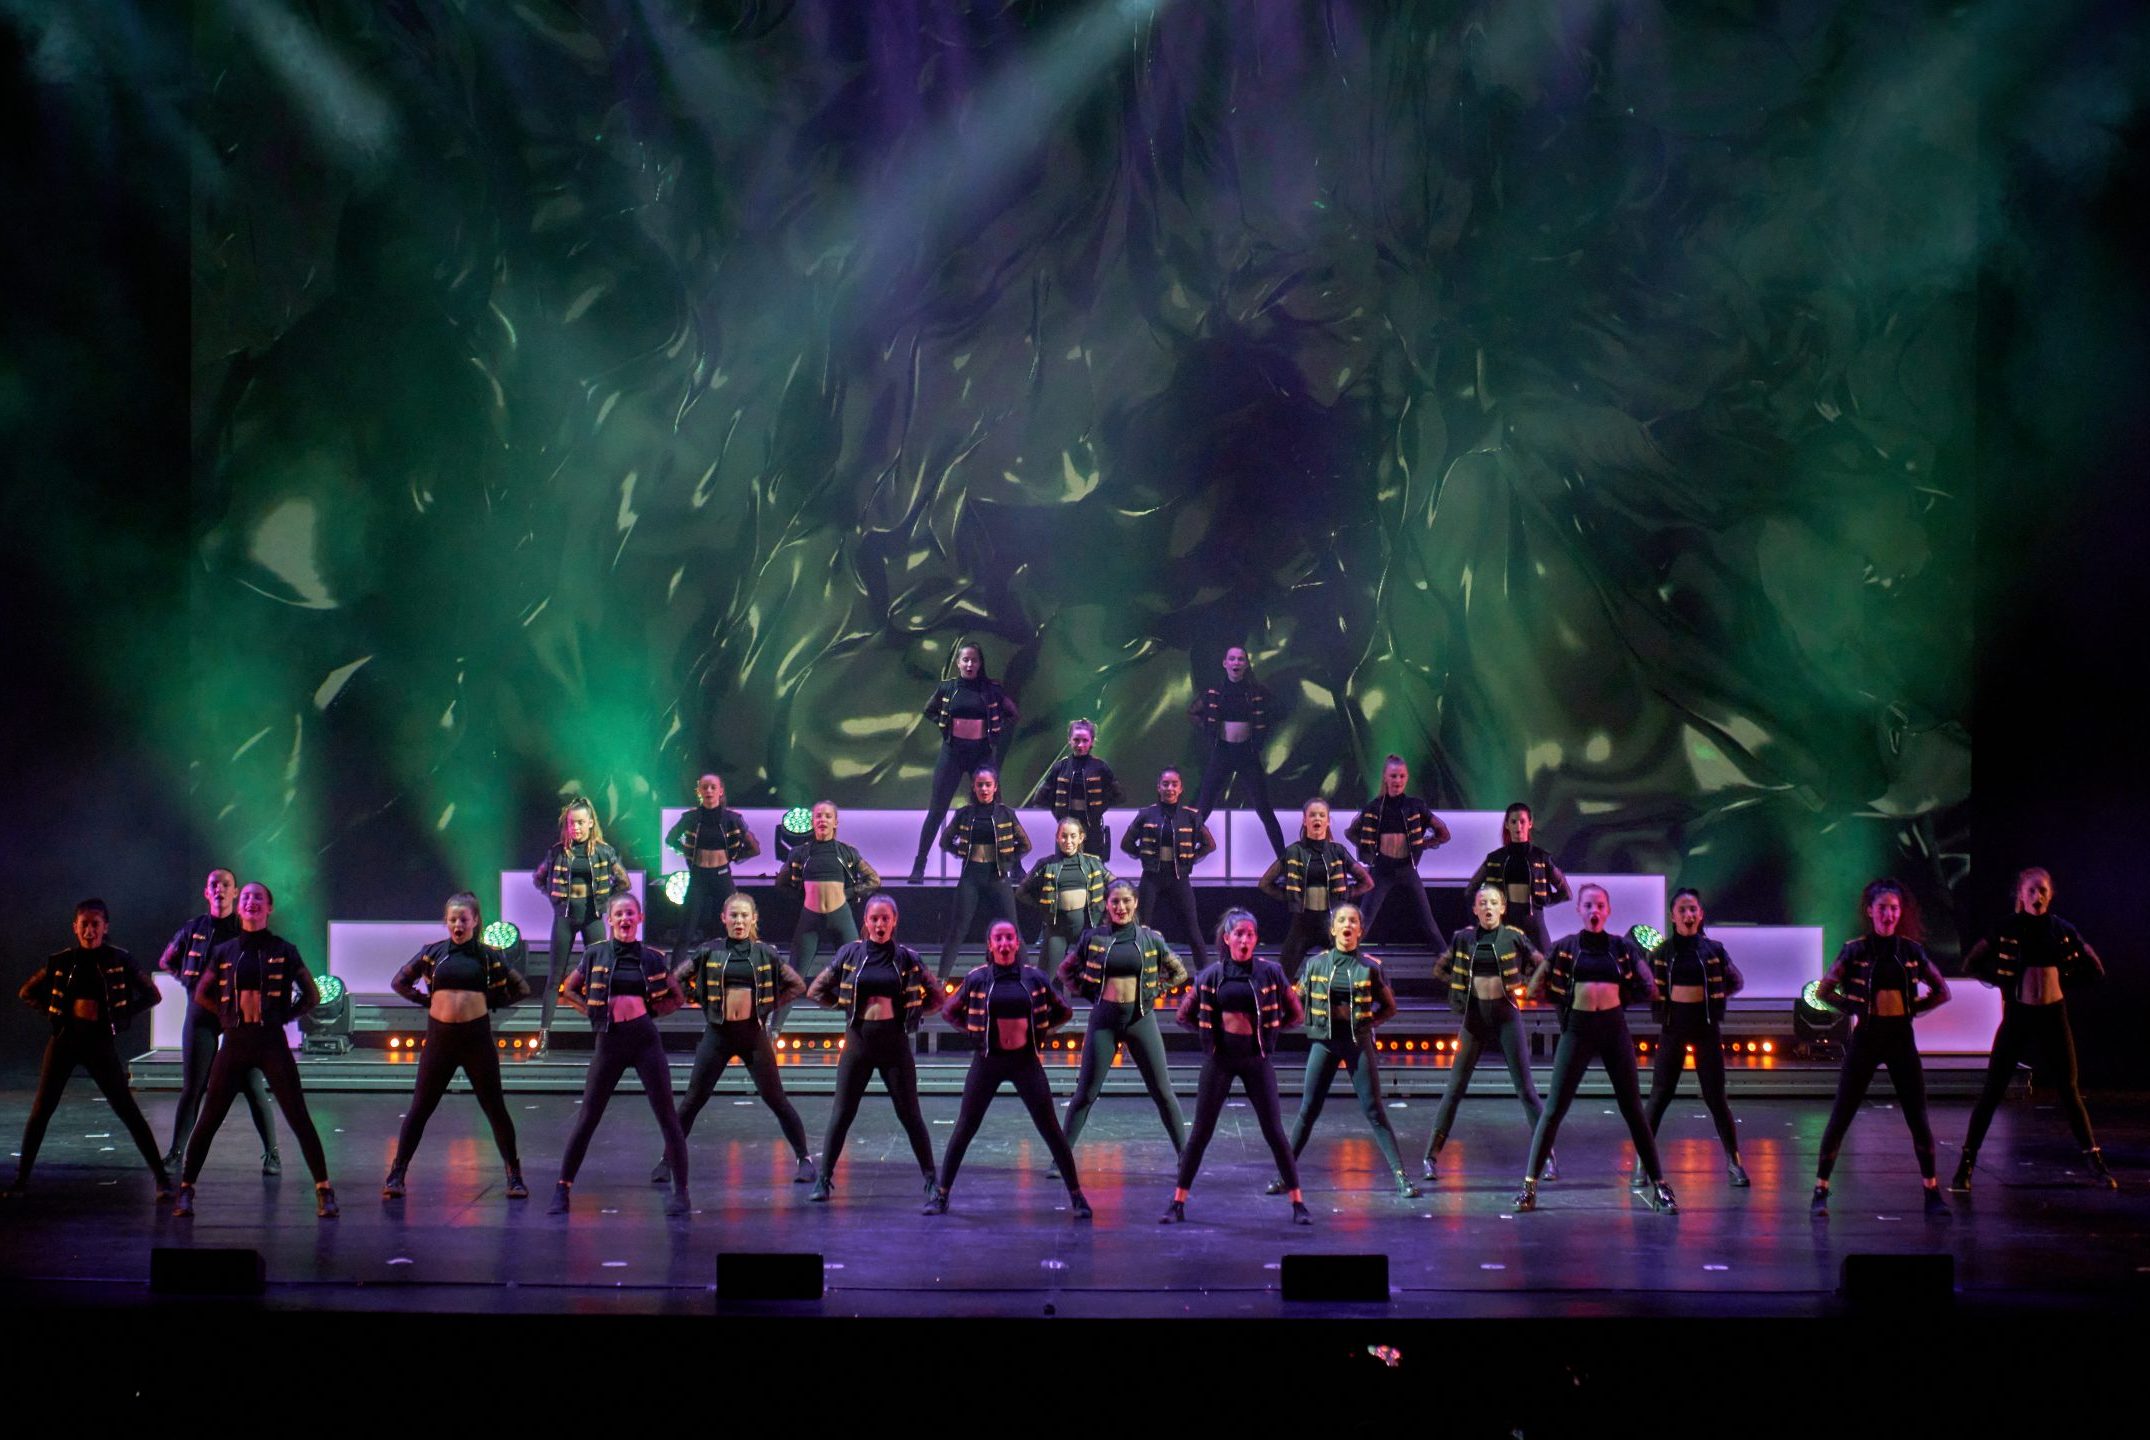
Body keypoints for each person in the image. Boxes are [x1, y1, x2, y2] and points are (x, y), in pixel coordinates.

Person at [173, 883, 338, 1219]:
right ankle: (186, 1190)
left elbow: (312, 995)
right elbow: (201, 993)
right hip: (235, 1043)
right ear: (240, 907)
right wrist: (226, 1017)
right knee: (209, 1118)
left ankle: (324, 1189)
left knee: (298, 1116)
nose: (251, 901)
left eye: (258, 897)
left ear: (269, 908)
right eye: (246, 896)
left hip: (270, 1042)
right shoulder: (225, 951)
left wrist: (284, 1016)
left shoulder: (284, 950)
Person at [1513, 885, 1676, 1215]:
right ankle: (1529, 1187)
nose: (1594, 910)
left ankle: (1660, 1185)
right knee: (1554, 1109)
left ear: (1608, 910)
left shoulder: (1621, 948)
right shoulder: (1566, 947)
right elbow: (1534, 988)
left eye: (1600, 905)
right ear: (1579, 910)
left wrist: (1625, 999)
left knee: (1633, 1109)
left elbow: (1649, 986)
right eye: (1588, 905)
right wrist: (1564, 1007)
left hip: (1613, 1030)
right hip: (1578, 1031)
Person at [1952, 868, 2115, 1191]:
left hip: (2053, 1015)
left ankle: (2095, 1162)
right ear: (2021, 894)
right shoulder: (2007, 927)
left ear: (2050, 895)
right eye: (2031, 891)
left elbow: (2094, 967)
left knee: (2069, 1090)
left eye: (2042, 890)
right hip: (2019, 1015)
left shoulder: (2062, 929)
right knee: (1993, 1090)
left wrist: (2067, 981)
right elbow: (1971, 962)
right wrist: (2001, 980)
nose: (2037, 896)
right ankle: (1966, 1164)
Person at [4, 900, 170, 1201]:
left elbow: (152, 994)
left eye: (95, 924)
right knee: (41, 1111)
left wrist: (121, 1016)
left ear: (105, 927)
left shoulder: (119, 959)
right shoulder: (62, 961)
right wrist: (54, 1014)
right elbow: (26, 991)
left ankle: (162, 1179)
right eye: (84, 924)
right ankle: (20, 1181)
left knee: (128, 1110)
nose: (90, 930)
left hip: (99, 1044)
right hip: (65, 1041)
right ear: (75, 927)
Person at [925, 921, 1092, 1218]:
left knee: (1051, 1129)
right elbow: (950, 1011)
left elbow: (1063, 1011)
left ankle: (1077, 1196)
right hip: (988, 1062)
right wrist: (975, 1033)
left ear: (1017, 944)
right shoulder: (978, 978)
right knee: (965, 1127)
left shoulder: (1034, 978)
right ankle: (942, 1194)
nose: (1004, 944)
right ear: (990, 945)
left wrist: (1040, 1032)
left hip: (1025, 1062)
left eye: (1009, 938)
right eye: (998, 939)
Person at [1810, 881, 1952, 1218]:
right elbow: (1823, 990)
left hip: (1901, 1038)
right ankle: (1820, 1190)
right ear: (1870, 911)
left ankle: (1932, 1191)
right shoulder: (1855, 950)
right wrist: (1854, 1007)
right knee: (1841, 1114)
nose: (1888, 914)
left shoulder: (1911, 951)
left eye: (1894, 908)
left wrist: (1913, 1009)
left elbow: (1942, 991)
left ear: (1900, 913)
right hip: (1867, 1038)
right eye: (1883, 908)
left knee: (1917, 1117)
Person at [1162, 908, 1311, 1226]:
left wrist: (1270, 1033)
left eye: (1250, 934)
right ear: (1227, 938)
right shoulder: (1211, 975)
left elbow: (1296, 1014)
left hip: (1256, 1060)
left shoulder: (1270, 973)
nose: (1245, 940)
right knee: (1200, 1133)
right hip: (1220, 1060)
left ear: (1256, 939)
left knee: (1275, 1132)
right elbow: (1183, 1015)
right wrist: (1208, 1034)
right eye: (1239, 934)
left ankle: (1298, 1204)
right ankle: (1177, 1203)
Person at [656, 893, 815, 1187]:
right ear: (724, 918)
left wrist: (766, 1005)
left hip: (752, 1036)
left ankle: (804, 1159)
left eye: (744, 916)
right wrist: (699, 998)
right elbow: (674, 980)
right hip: (718, 1034)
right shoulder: (709, 951)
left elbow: (796, 984)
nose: (739, 921)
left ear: (754, 919)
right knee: (692, 1100)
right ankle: (667, 1160)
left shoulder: (764, 953)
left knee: (776, 1099)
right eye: (734, 915)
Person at [382, 891, 531, 1200]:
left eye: (463, 919)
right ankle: (397, 1173)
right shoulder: (433, 952)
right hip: (441, 1040)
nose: (458, 925)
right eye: (452, 920)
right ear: (446, 922)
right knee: (420, 1108)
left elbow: (522, 988)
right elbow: (399, 982)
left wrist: (492, 1002)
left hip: (476, 1040)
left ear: (475, 921)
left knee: (495, 1108)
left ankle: (514, 1176)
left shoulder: (488, 956)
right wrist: (427, 1001)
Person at [1270, 905, 1420, 1197]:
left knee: (1374, 1110)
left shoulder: (1370, 967)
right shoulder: (1316, 964)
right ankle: (1285, 1175)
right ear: (1333, 929)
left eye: (1353, 921)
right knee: (1308, 1110)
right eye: (1341, 920)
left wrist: (1368, 1024)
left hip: (1356, 1044)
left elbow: (1390, 1007)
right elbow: (1296, 999)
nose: (1347, 924)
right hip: (1324, 1043)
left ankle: (1402, 1178)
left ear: (1360, 931)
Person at [804, 895, 941, 1201]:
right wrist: (843, 1005)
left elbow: (937, 996)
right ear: (865, 921)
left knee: (910, 1115)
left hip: (894, 1044)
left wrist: (913, 1013)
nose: (880, 924)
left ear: (894, 921)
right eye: (874, 919)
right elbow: (816, 990)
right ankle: (823, 1180)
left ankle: (932, 1181)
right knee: (842, 1114)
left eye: (885, 919)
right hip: (859, 1043)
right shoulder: (850, 953)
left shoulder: (907, 958)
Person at [1422, 884, 1550, 1181]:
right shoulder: (1463, 938)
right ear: (1475, 909)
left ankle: (1548, 1157)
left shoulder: (1514, 936)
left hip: (1507, 1017)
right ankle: (1430, 1157)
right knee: (1454, 1089)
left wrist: (1527, 985)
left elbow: (1541, 964)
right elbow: (1439, 969)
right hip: (1474, 1019)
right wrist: (1458, 987)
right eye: (1483, 903)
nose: (1488, 907)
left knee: (1526, 1090)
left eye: (1493, 902)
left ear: (1503, 908)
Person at [157, 867, 279, 1175]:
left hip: (237, 1020)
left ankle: (272, 1154)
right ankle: (176, 1153)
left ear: (234, 893)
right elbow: (166, 960)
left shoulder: (246, 929)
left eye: (225, 885)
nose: (219, 889)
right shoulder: (193, 928)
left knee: (251, 1084)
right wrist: (188, 982)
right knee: (193, 1087)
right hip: (201, 1016)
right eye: (214, 884)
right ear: (206, 892)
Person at [1057, 880, 1189, 1157]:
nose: (1121, 907)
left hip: (1140, 1020)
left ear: (1136, 902)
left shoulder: (1150, 938)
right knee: (1085, 1094)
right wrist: (1088, 992)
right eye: (1115, 901)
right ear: (1106, 904)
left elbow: (1180, 972)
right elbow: (1065, 971)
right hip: (1104, 1022)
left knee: (1163, 1093)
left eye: (1126, 900)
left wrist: (1155, 990)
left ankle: (1186, 1158)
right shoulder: (1093, 938)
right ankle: (1061, 1160)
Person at [1639, 888, 1749, 1188]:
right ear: (1672, 916)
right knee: (1659, 1096)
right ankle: (1643, 1163)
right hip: (1673, 1029)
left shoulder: (1714, 950)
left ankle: (1734, 1161)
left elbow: (1736, 980)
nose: (1688, 915)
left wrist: (1715, 998)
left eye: (1693, 910)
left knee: (1716, 1098)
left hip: (1705, 1029)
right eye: (1682, 910)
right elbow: (1646, 985)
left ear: (1700, 915)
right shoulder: (1661, 952)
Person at [909, 642, 1019, 881]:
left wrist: (995, 730)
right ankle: (919, 866)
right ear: (958, 663)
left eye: (974, 660)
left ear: (980, 664)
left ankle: (1015, 865)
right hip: (953, 754)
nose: (970, 664)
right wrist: (945, 726)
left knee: (996, 810)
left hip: (982, 754)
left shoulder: (990, 689)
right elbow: (929, 710)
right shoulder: (948, 688)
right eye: (965, 660)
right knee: (936, 810)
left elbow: (1013, 713)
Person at [530, 796, 631, 1053]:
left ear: (590, 823)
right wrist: (555, 900)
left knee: (600, 977)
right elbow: (539, 879)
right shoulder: (557, 852)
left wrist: (605, 901)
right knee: (554, 978)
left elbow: (624, 882)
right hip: (564, 919)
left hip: (592, 919)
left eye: (580, 823)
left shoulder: (604, 851)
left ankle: (604, 1036)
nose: (575, 828)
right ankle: (543, 1037)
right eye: (572, 823)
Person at [1256, 798, 1372, 980]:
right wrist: (1289, 896)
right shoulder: (1294, 851)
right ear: (1305, 820)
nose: (1317, 818)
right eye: (1312, 815)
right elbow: (1265, 883)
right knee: (1282, 978)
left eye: (1322, 815)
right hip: (1302, 924)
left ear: (1328, 821)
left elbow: (1367, 882)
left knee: (1352, 976)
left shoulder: (1338, 851)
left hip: (1331, 924)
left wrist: (1345, 894)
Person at [935, 766, 1031, 980]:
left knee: (1013, 929)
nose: (984, 789)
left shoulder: (1006, 813)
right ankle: (940, 981)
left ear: (995, 787)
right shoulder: (964, 813)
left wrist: (1008, 861)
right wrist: (961, 852)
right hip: (971, 876)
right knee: (957, 930)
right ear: (973, 787)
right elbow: (945, 841)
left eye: (988, 785)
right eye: (980, 785)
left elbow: (1025, 845)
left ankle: (1029, 980)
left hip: (997, 876)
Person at [1188, 645, 1285, 858]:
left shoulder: (1256, 691)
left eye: (1240, 659)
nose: (1236, 663)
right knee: (1203, 807)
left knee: (1264, 809)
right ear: (1225, 663)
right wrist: (1209, 729)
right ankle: (1182, 855)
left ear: (1246, 664)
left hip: (1247, 753)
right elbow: (1193, 712)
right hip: (1223, 752)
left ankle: (1284, 861)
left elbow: (1277, 711)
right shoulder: (1215, 691)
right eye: (1232, 659)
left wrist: (1261, 732)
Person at [1345, 756, 1450, 947]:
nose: (1397, 781)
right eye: (1393, 776)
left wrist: (1423, 844)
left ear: (1407, 778)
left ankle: (1448, 961)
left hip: (1407, 869)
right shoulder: (1374, 808)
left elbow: (1444, 833)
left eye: (1402, 776)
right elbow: (1350, 832)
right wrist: (1367, 849)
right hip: (1381, 870)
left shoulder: (1415, 806)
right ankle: (1343, 956)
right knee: (1364, 920)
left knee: (1428, 923)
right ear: (1385, 777)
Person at [1121, 768, 1215, 970]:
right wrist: (1143, 856)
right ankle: (1136, 973)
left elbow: (1210, 844)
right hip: (1151, 878)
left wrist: (1191, 859)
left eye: (1174, 784)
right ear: (1158, 787)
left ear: (1181, 788)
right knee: (1141, 928)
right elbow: (1126, 843)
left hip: (1179, 878)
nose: (1169, 788)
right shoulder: (1146, 814)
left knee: (1193, 930)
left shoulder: (1191, 816)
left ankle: (1206, 977)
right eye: (1165, 784)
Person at [777, 801, 881, 984]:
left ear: (835, 822)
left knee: (855, 974)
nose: (822, 820)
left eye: (828, 816)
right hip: (810, 919)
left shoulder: (847, 852)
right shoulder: (800, 853)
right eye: (818, 816)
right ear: (812, 822)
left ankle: (855, 1004)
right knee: (793, 979)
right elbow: (781, 883)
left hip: (840, 916)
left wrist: (848, 893)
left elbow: (874, 880)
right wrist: (803, 896)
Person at [662, 773, 760, 952]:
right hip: (698, 876)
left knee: (735, 920)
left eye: (713, 787)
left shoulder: (731, 818)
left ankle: (741, 961)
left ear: (720, 791)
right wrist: (686, 851)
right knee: (687, 928)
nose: (709, 791)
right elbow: (670, 839)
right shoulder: (691, 818)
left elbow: (754, 848)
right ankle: (676, 969)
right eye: (704, 787)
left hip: (722, 876)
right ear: (699, 791)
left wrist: (735, 856)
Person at [1018, 817, 1114, 985]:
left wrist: (1107, 908)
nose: (1068, 841)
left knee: (1094, 979)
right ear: (1057, 837)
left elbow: (1116, 885)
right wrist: (1043, 906)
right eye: (1063, 836)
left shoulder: (1093, 863)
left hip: (1087, 930)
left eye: (1073, 836)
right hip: (1057, 931)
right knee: (1046, 979)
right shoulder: (1045, 864)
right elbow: (1021, 892)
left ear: (1081, 837)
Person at [1466, 803, 1570, 954]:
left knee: (1546, 965)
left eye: (1522, 821)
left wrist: (1544, 900)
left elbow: (1566, 893)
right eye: (1513, 822)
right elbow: (1470, 890)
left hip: (1534, 923)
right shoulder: (1496, 858)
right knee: (1504, 966)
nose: (1518, 826)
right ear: (1507, 825)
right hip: (1504, 922)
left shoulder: (1541, 857)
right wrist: (1481, 919)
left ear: (1530, 824)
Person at [1027, 718, 1124, 858]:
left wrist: (1098, 810)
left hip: (1093, 830)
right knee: (1064, 866)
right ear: (1069, 740)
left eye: (1085, 740)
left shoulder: (1101, 767)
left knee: (1093, 867)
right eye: (1076, 740)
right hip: (1066, 830)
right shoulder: (1060, 767)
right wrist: (1059, 815)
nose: (1080, 745)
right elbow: (1040, 797)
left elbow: (1119, 795)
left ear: (1092, 741)